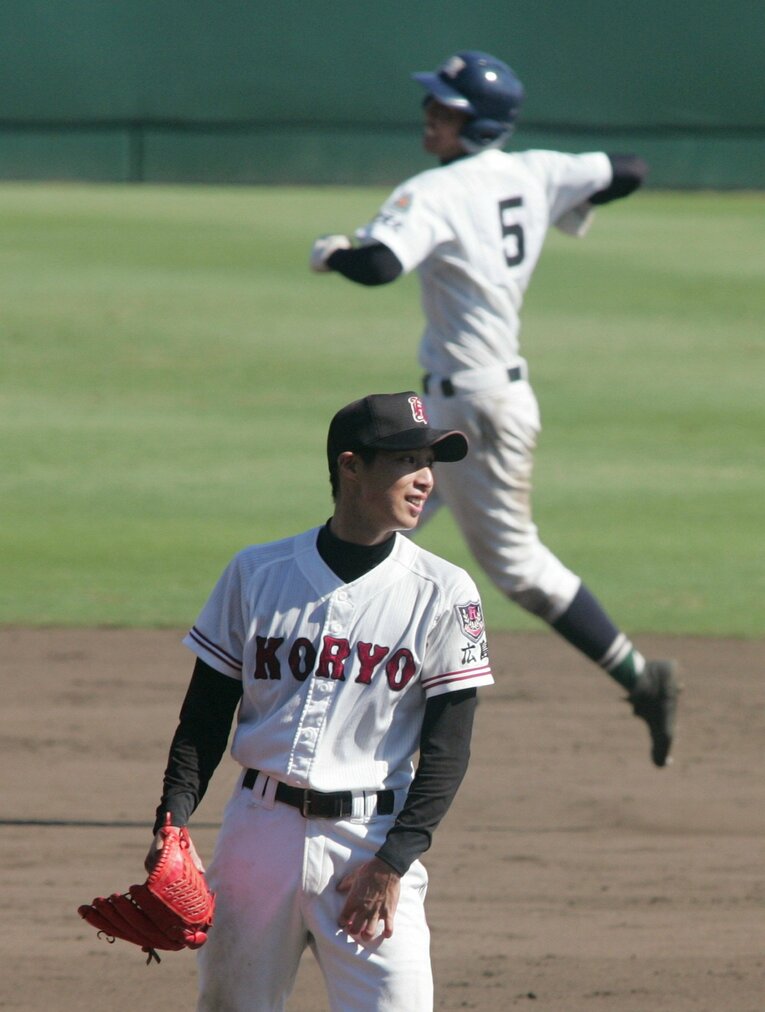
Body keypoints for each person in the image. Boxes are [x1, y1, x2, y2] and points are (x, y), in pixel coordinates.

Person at [309, 50, 679, 768]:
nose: (429, 116)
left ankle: (641, 677)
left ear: (474, 122)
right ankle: (336, 689)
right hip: (470, 402)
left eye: (443, 109)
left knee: (515, 565)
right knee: (363, 534)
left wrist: (331, 252)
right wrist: (563, 202)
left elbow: (380, 264)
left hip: (472, 409)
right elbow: (628, 168)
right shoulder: (535, 171)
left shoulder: (436, 190)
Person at [147, 391, 494, 1011]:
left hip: (371, 840)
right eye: (407, 460)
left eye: (429, 462)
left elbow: (449, 747)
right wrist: (172, 818)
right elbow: (202, 718)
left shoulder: (444, 592)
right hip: (258, 838)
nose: (425, 479)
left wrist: (393, 863)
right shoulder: (257, 574)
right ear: (350, 466)